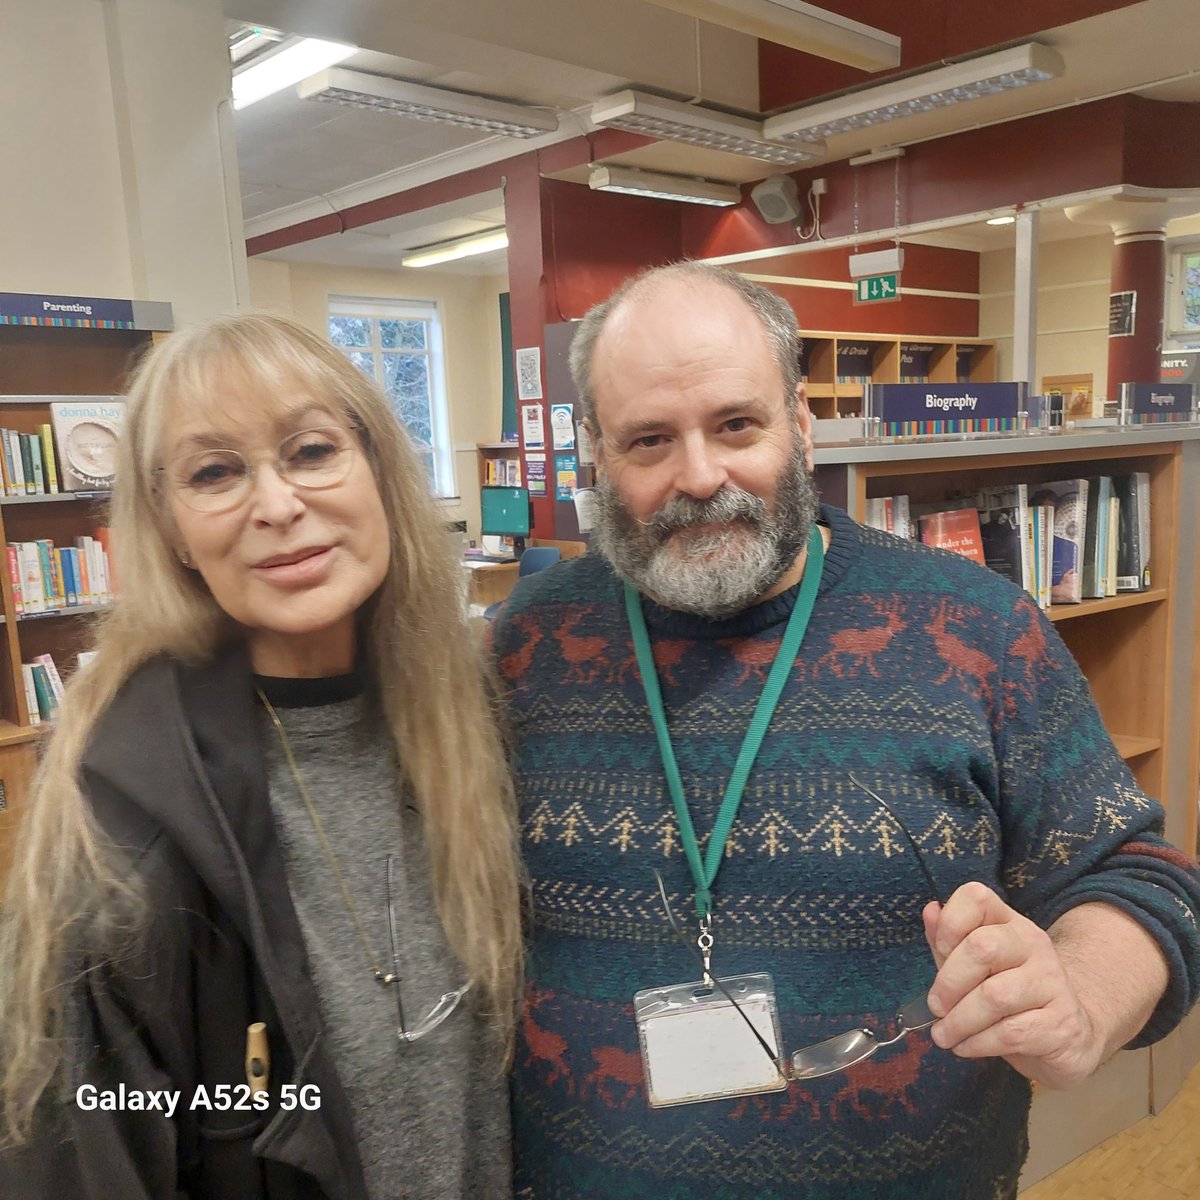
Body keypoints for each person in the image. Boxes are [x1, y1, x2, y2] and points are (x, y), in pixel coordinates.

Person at [489, 262, 1200, 1200]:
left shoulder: (975, 629)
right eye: (649, 440)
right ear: (595, 450)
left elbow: (1139, 875)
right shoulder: (522, 645)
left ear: (801, 420)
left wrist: (1080, 1000)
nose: (699, 477)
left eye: (737, 425)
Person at [0, 314, 523, 1199]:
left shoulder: (473, 715)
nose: (277, 505)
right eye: (216, 473)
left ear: (381, 474)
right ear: (168, 529)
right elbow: (82, 1143)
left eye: (312, 451)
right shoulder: (122, 798)